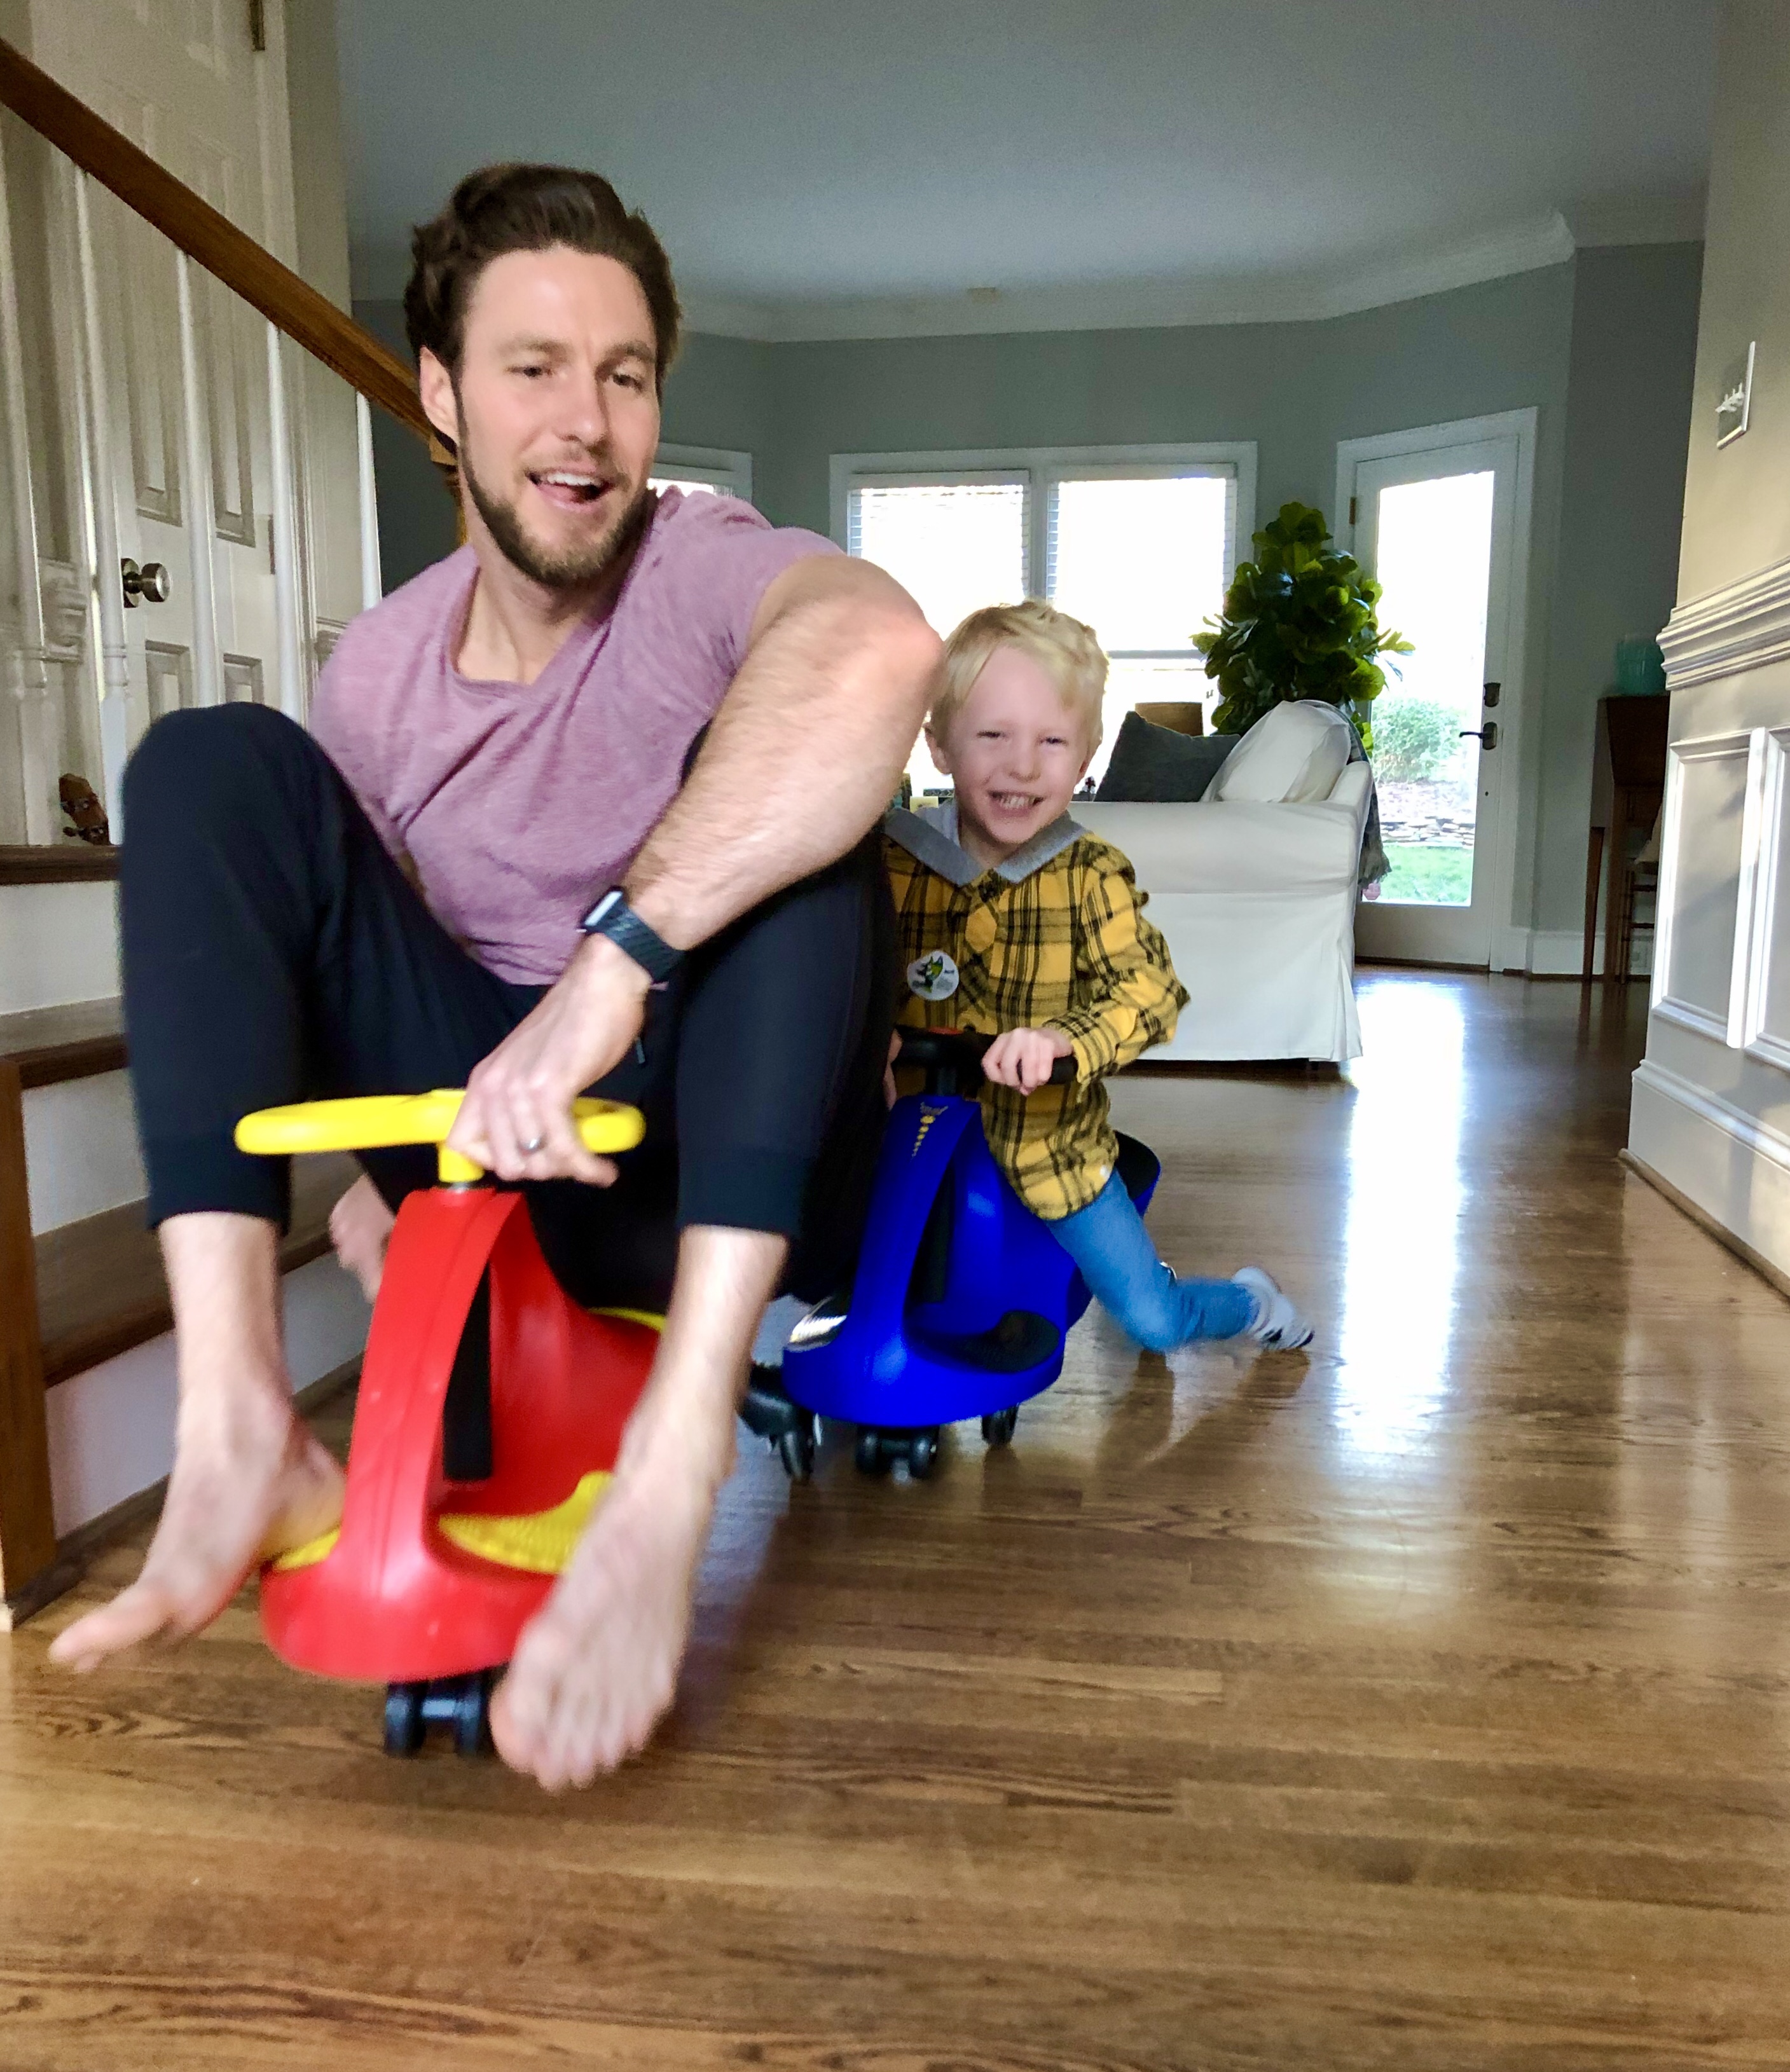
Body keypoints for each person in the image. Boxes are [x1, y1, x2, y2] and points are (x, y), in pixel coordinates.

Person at [48, 163, 939, 1790]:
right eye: (534, 367)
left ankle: (677, 1464)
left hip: (729, 1163)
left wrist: (613, 967)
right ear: (442, 394)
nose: (586, 422)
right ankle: (237, 1417)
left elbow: (879, 649)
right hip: (510, 1167)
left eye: (625, 374)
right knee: (207, 760)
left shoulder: (699, 565)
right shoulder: (381, 673)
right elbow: (335, 949)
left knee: (803, 822)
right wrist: (369, 1172)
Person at [883, 600, 1313, 1354]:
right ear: (939, 745)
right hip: (908, 1143)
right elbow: (840, 970)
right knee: (856, 1271)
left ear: (1085, 758)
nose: (1022, 766)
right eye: (993, 735)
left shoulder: (1089, 874)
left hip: (1052, 1149)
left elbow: (1150, 992)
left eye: (1051, 741)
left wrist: (1062, 1040)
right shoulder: (893, 862)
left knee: (1153, 1322)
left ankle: (1249, 1303)